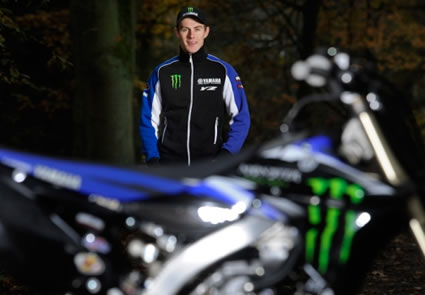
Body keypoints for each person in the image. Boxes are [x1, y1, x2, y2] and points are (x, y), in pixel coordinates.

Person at [139, 6, 250, 166]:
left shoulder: (223, 71)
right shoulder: (162, 72)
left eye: (197, 29)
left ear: (206, 32)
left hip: (210, 165)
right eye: (185, 29)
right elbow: (147, 119)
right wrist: (153, 158)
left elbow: (241, 117)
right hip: (168, 165)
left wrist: (226, 155)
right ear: (177, 32)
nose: (192, 35)